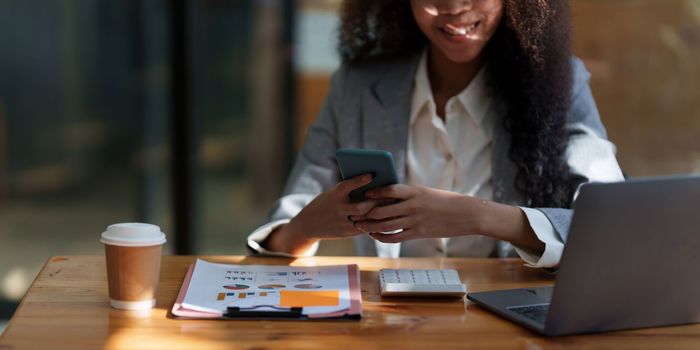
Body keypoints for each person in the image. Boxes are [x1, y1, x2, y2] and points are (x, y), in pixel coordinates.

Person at [247, 0, 623, 267]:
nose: (454, 7)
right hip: (386, 324)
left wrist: (479, 216)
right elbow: (280, 236)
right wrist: (307, 226)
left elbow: (614, 227)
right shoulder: (355, 88)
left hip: (510, 321)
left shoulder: (559, 83)